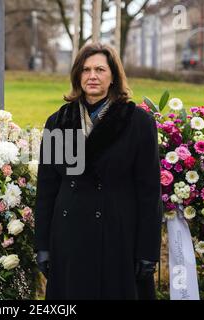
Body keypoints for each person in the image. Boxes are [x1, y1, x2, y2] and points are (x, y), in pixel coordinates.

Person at [35, 43, 162, 300]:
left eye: (100, 69)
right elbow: (47, 188)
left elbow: (149, 192)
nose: (92, 76)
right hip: (69, 236)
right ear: (77, 76)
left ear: (113, 75)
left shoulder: (137, 122)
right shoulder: (58, 121)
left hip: (117, 235)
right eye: (85, 70)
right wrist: (43, 246)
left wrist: (148, 250)